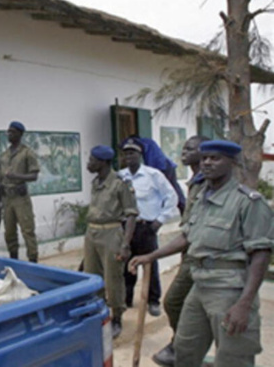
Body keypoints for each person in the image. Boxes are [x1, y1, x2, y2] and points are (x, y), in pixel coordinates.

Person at [130, 140, 273, 367]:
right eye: (205, 157)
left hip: (229, 290)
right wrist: (151, 256)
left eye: (215, 158)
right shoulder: (201, 198)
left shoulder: (248, 202)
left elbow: (261, 254)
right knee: (185, 350)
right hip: (199, 285)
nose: (207, 162)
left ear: (233, 162)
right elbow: (187, 236)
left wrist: (244, 304)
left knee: (233, 358)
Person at [152, 135, 209, 366]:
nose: (183, 152)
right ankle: (181, 345)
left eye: (190, 148)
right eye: (183, 148)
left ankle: (183, 347)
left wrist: (154, 254)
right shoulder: (195, 180)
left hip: (203, 254)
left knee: (175, 302)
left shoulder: (209, 182)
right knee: (180, 303)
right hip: (190, 252)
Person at [118, 138, 178, 316]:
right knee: (126, 264)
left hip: (146, 227)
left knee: (150, 264)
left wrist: (160, 219)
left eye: (133, 153)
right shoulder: (120, 176)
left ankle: (153, 301)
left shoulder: (153, 175)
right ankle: (126, 299)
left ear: (140, 155)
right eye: (126, 153)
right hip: (125, 228)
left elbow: (171, 197)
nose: (129, 157)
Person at [84, 145, 138, 338]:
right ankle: (99, 312)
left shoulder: (120, 183)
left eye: (92, 160)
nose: (88, 163)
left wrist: (125, 243)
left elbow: (131, 215)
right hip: (92, 233)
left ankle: (117, 317)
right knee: (92, 277)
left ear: (103, 162)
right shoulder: (95, 182)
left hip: (111, 233)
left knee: (113, 278)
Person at [0, 121, 40, 262]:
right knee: (9, 233)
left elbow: (34, 176)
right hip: (7, 198)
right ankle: (14, 260)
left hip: (21, 197)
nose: (9, 134)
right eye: (8, 132)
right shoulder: (3, 156)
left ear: (20, 134)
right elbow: (0, 181)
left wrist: (16, 176)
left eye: (13, 132)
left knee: (27, 231)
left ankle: (33, 261)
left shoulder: (27, 153)